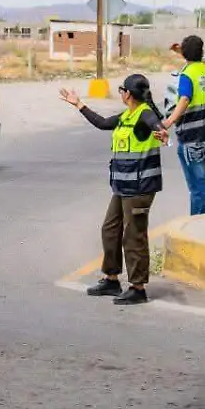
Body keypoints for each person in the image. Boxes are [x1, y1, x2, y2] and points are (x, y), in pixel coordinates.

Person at [59, 74, 165, 305]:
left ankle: (138, 288)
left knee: (134, 236)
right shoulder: (127, 116)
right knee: (110, 229)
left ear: (128, 94)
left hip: (140, 187)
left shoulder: (145, 114)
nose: (120, 94)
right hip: (123, 185)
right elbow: (102, 123)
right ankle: (111, 279)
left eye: (121, 90)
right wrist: (79, 104)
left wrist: (161, 131)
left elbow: (155, 123)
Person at [159, 35, 205, 215]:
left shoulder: (187, 75)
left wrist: (169, 121)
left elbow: (185, 99)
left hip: (192, 138)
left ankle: (197, 226)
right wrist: (185, 52)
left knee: (197, 188)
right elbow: (198, 61)